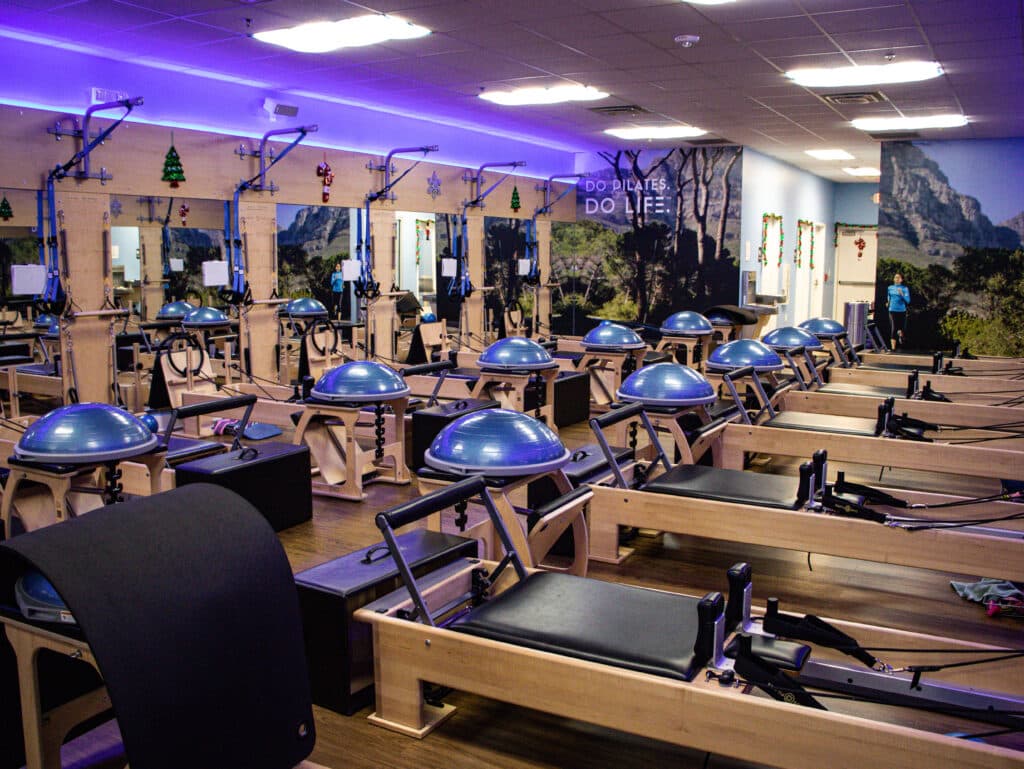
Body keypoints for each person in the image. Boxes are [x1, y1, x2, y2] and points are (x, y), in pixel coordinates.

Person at [886, 273, 910, 351]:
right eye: (895, 277)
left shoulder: (905, 288)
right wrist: (888, 303)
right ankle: (893, 348)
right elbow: (889, 297)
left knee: (902, 329)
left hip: (902, 311)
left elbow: (908, 301)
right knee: (894, 327)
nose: (896, 279)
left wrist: (902, 294)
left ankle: (900, 334)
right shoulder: (890, 288)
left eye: (898, 277)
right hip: (892, 310)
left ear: (901, 280)